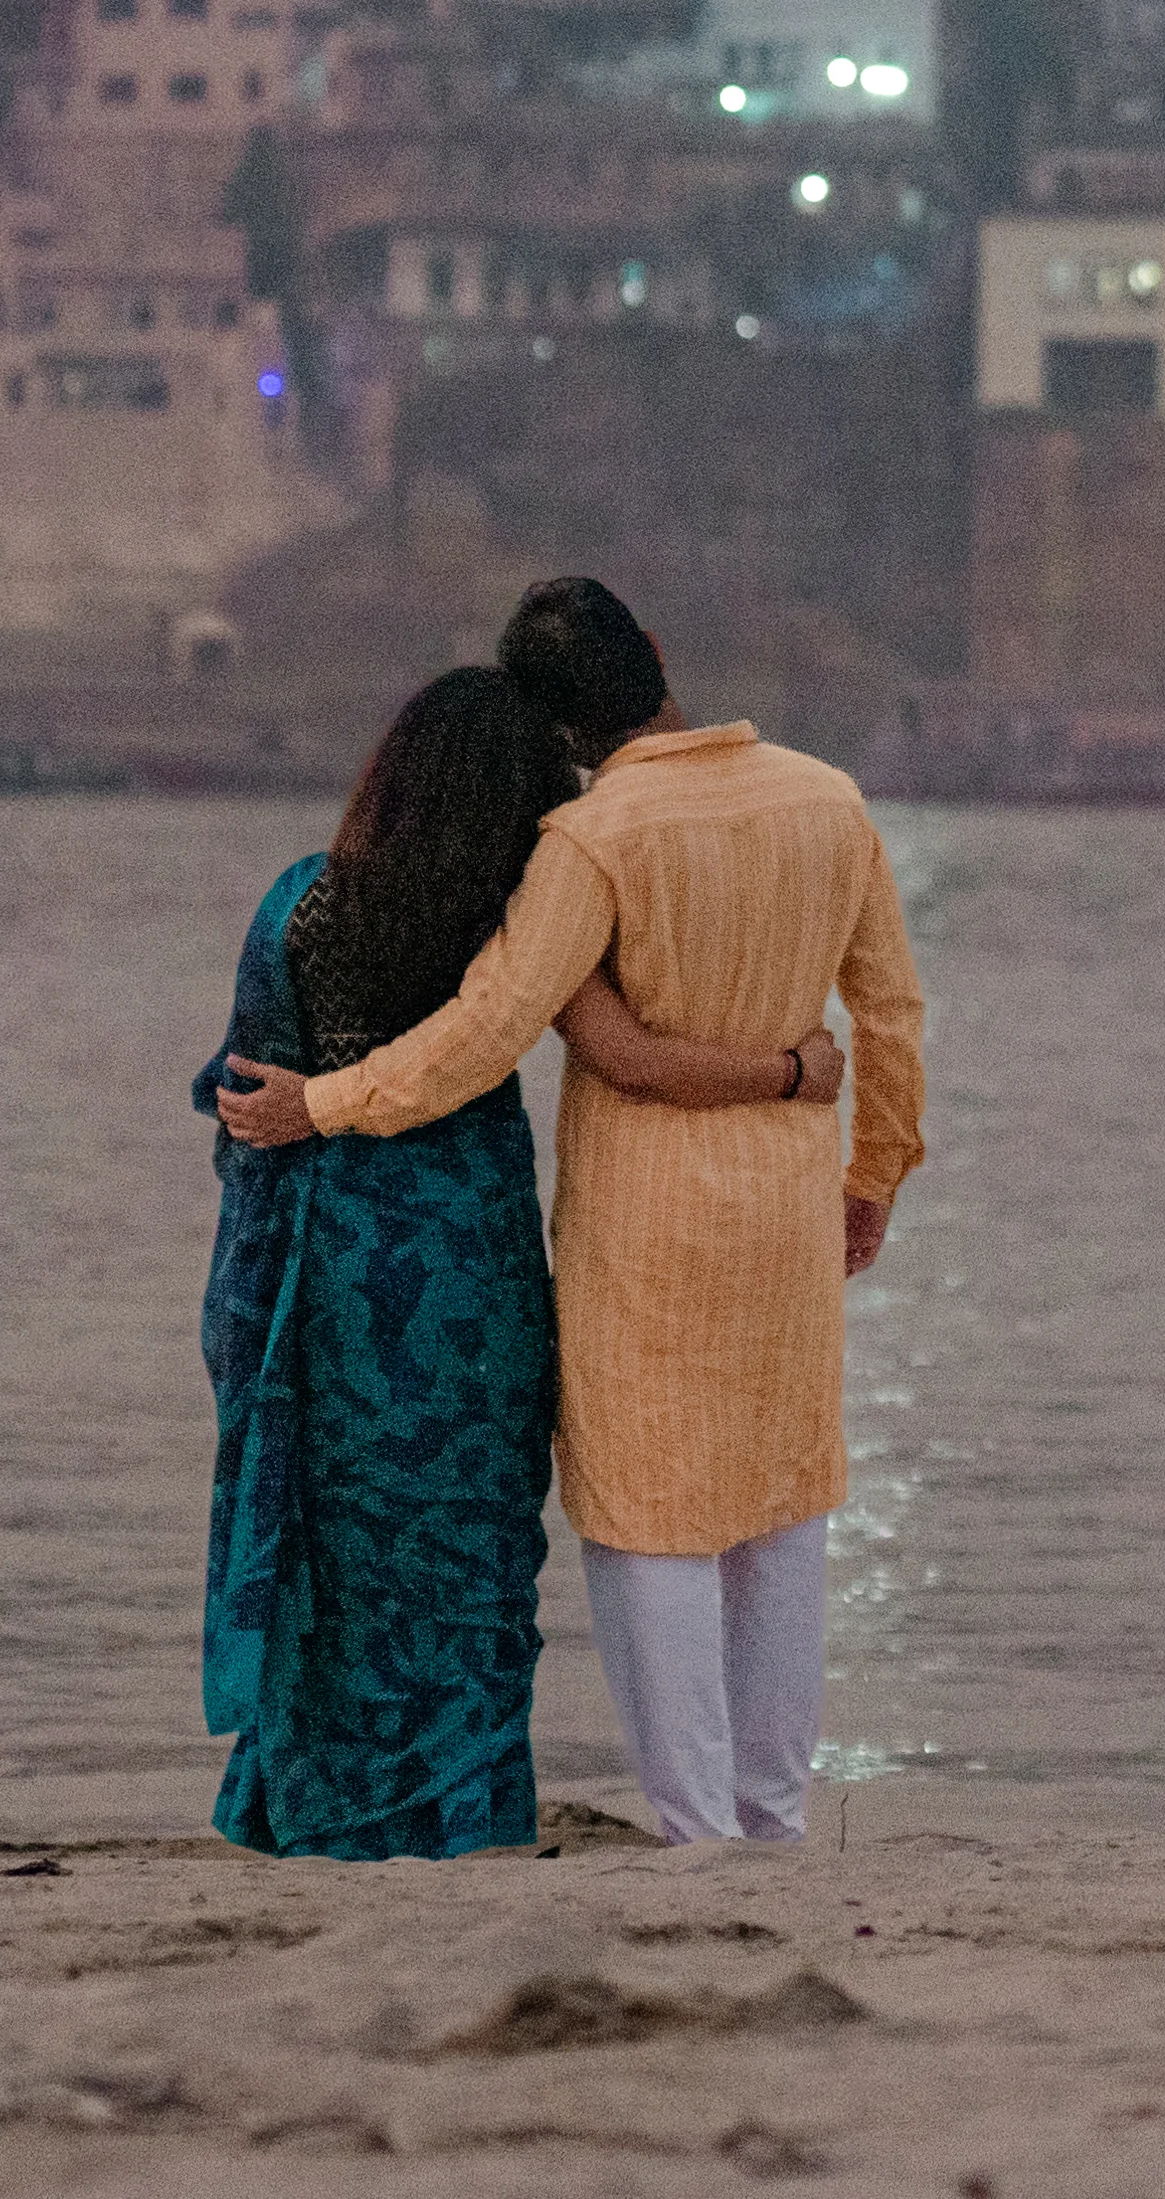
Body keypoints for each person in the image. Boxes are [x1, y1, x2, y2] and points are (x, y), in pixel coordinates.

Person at [218, 578, 928, 1845]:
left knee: (646, 1510)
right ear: (655, 652)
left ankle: (697, 1828)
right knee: (780, 1500)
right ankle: (775, 1819)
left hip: (647, 1221)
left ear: (552, 726)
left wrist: (323, 1105)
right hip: (782, 1207)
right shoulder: (831, 800)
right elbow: (890, 1014)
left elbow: (490, 1028)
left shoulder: (592, 841)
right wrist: (870, 1175)